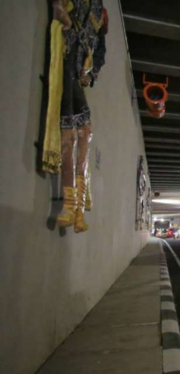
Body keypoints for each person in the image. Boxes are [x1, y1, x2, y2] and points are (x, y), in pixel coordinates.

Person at [46, 0, 108, 233]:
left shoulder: (101, 12)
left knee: (85, 132)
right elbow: (58, 9)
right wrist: (63, 15)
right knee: (69, 134)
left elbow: (100, 50)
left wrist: (91, 74)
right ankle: (70, 205)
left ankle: (78, 207)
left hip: (79, 71)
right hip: (65, 60)